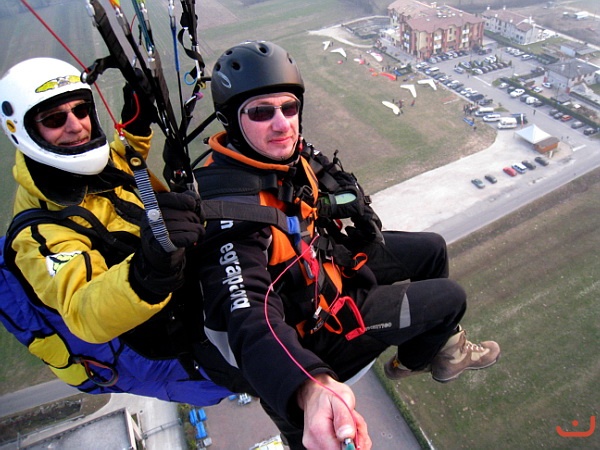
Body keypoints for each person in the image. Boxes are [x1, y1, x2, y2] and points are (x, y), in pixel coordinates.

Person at [194, 41, 501, 449]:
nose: (282, 124)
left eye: (289, 108)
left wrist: (341, 202)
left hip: (325, 266)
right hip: (315, 332)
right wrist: (308, 386)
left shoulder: (279, 155)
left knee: (432, 249)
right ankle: (417, 359)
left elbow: (323, 187)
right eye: (262, 112)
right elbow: (248, 317)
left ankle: (437, 350)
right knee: (450, 299)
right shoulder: (231, 212)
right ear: (232, 121)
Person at [0, 57, 233, 406]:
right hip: (151, 350)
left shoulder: (88, 165)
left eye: (81, 111)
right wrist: (149, 271)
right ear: (24, 132)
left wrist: (137, 123)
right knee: (253, 365)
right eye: (54, 120)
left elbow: (123, 162)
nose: (76, 126)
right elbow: (83, 310)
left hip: (177, 299)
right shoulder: (40, 233)